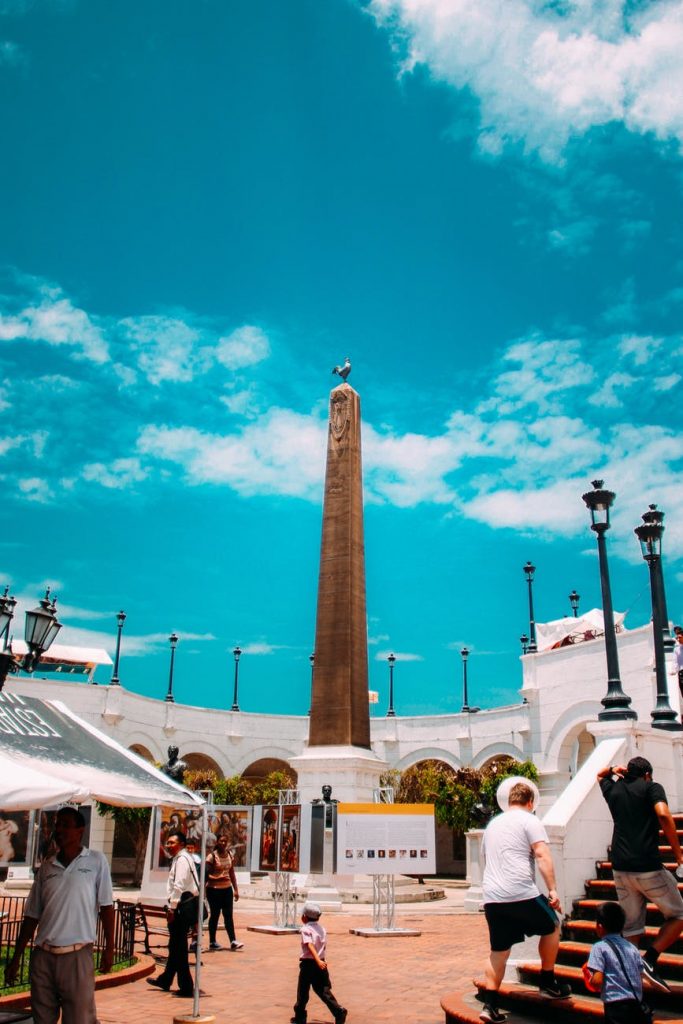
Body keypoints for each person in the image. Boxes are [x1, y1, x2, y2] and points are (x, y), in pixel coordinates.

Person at [6, 806, 114, 1024]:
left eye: (66, 825)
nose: (60, 830)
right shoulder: (46, 868)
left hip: (76, 956)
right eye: (57, 825)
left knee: (79, 1019)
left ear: (80, 831)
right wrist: (17, 957)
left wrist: (110, 948)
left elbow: (106, 907)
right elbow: (32, 915)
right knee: (42, 1018)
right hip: (43, 957)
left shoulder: (96, 861)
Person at [478, 780, 570, 1024]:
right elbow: (542, 854)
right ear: (530, 802)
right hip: (521, 893)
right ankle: (548, 982)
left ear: (509, 802)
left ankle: (490, 1006)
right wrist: (552, 890)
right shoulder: (530, 820)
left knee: (499, 951)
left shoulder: (492, 825)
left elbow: (485, 860)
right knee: (552, 925)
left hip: (493, 897)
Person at [597, 757, 683, 991]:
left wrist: (614, 769)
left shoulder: (613, 789)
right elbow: (664, 815)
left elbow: (599, 775)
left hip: (620, 868)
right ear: (647, 774)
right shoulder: (651, 787)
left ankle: (630, 992)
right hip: (648, 866)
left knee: (631, 928)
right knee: (680, 915)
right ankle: (650, 959)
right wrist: (679, 855)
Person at [147, 829, 198, 998]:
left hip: (181, 907)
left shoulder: (182, 860)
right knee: (176, 946)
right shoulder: (180, 859)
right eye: (167, 842)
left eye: (172, 842)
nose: (168, 845)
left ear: (181, 844)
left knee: (179, 947)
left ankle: (186, 986)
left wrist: (172, 908)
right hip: (182, 905)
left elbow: (179, 885)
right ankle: (166, 979)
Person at [586, 901, 646, 1024]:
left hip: (615, 1005)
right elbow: (640, 976)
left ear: (600, 927)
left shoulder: (599, 947)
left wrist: (589, 979)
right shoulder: (632, 947)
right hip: (635, 1002)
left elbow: (597, 980)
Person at [291, 902, 347, 1024]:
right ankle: (339, 1011)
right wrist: (321, 960)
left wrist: (316, 960)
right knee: (323, 991)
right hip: (321, 963)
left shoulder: (306, 929)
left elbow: (309, 945)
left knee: (303, 992)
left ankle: (300, 1017)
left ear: (304, 917)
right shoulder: (322, 929)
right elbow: (323, 946)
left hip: (309, 964)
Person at [205, 831, 243, 952]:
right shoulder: (212, 856)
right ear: (217, 842)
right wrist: (213, 879)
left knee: (228, 915)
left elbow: (232, 873)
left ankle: (233, 940)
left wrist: (236, 889)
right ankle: (212, 941)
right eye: (221, 841)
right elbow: (205, 874)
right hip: (214, 890)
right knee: (215, 915)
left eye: (225, 841)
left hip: (227, 889)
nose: (223, 843)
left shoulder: (230, 855)